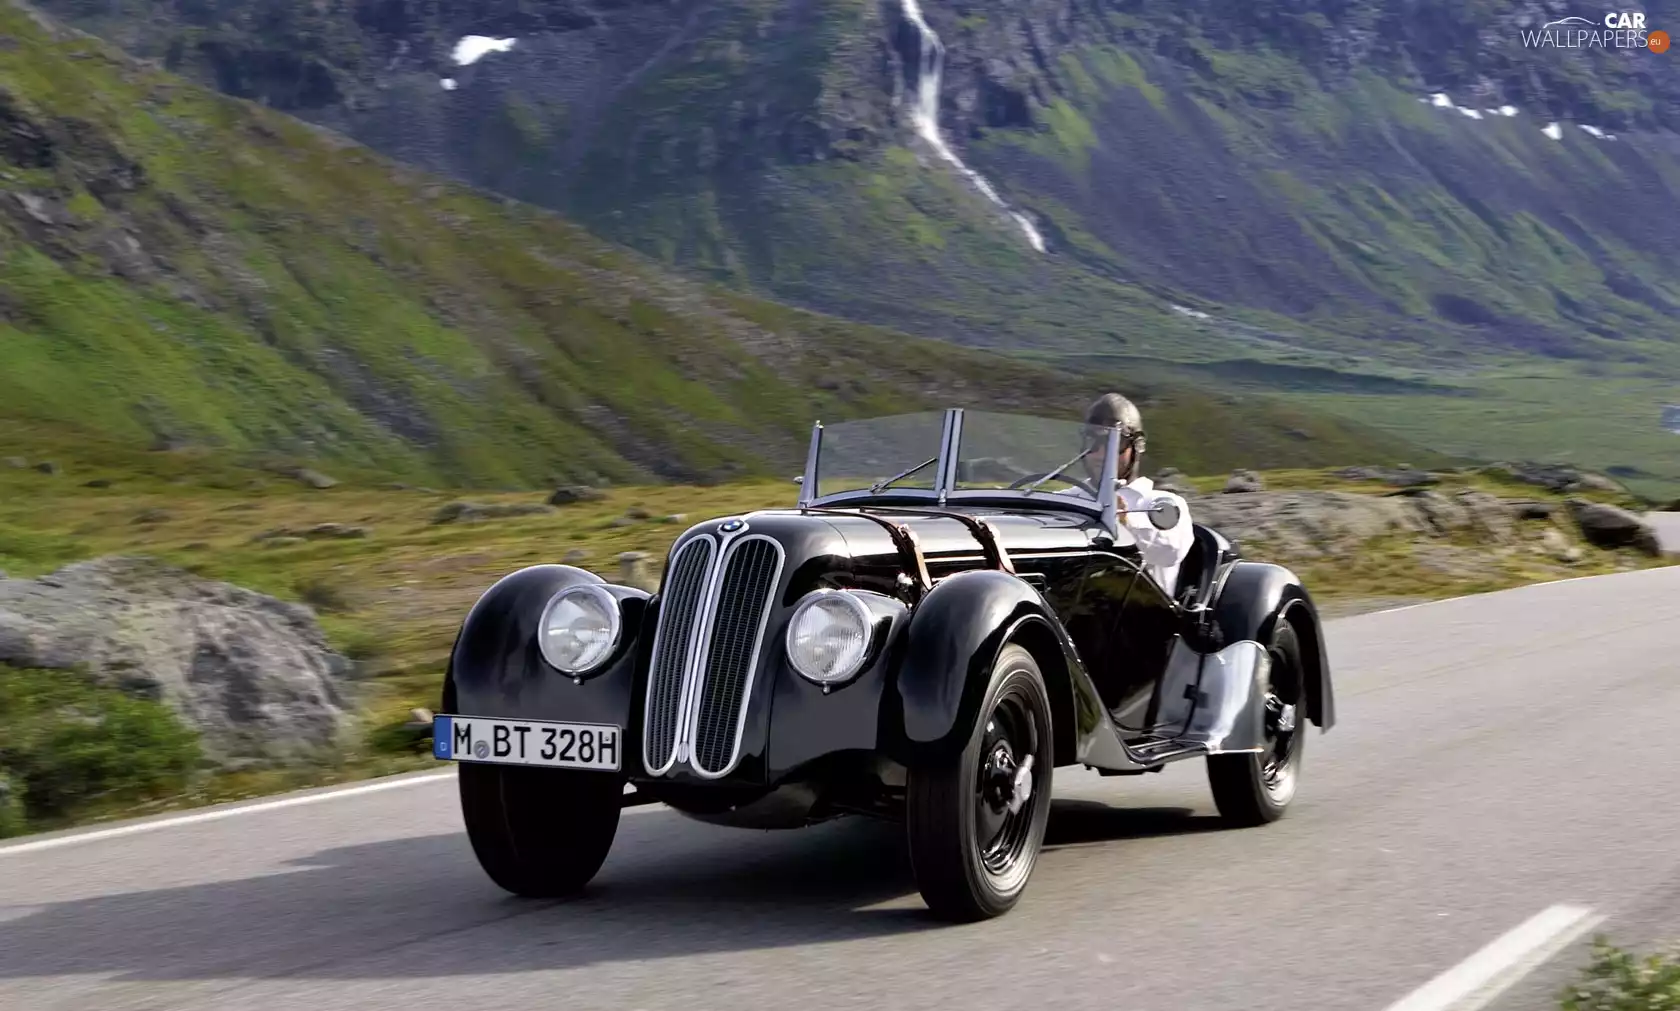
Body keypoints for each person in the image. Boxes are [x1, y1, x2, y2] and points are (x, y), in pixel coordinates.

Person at [1080, 392, 1195, 596]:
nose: (1098, 454)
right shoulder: (1070, 498)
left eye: (1112, 443)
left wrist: (1125, 523)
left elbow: (1170, 552)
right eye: (1092, 441)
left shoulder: (1164, 504)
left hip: (1141, 618)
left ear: (1136, 445)